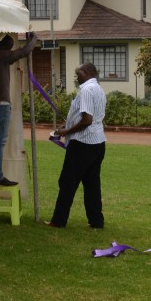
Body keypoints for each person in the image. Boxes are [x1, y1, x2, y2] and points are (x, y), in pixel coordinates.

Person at [47, 62, 106, 229]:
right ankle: (96, 221)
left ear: (86, 72)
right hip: (98, 143)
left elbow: (87, 120)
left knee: (67, 182)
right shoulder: (99, 89)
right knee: (92, 183)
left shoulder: (87, 90)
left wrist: (66, 131)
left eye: (78, 73)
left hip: (83, 143)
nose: (76, 76)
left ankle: (58, 221)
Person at [0, 31, 37, 186]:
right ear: (5, 49)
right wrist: (34, 38)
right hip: (1, 105)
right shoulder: (2, 57)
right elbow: (25, 51)